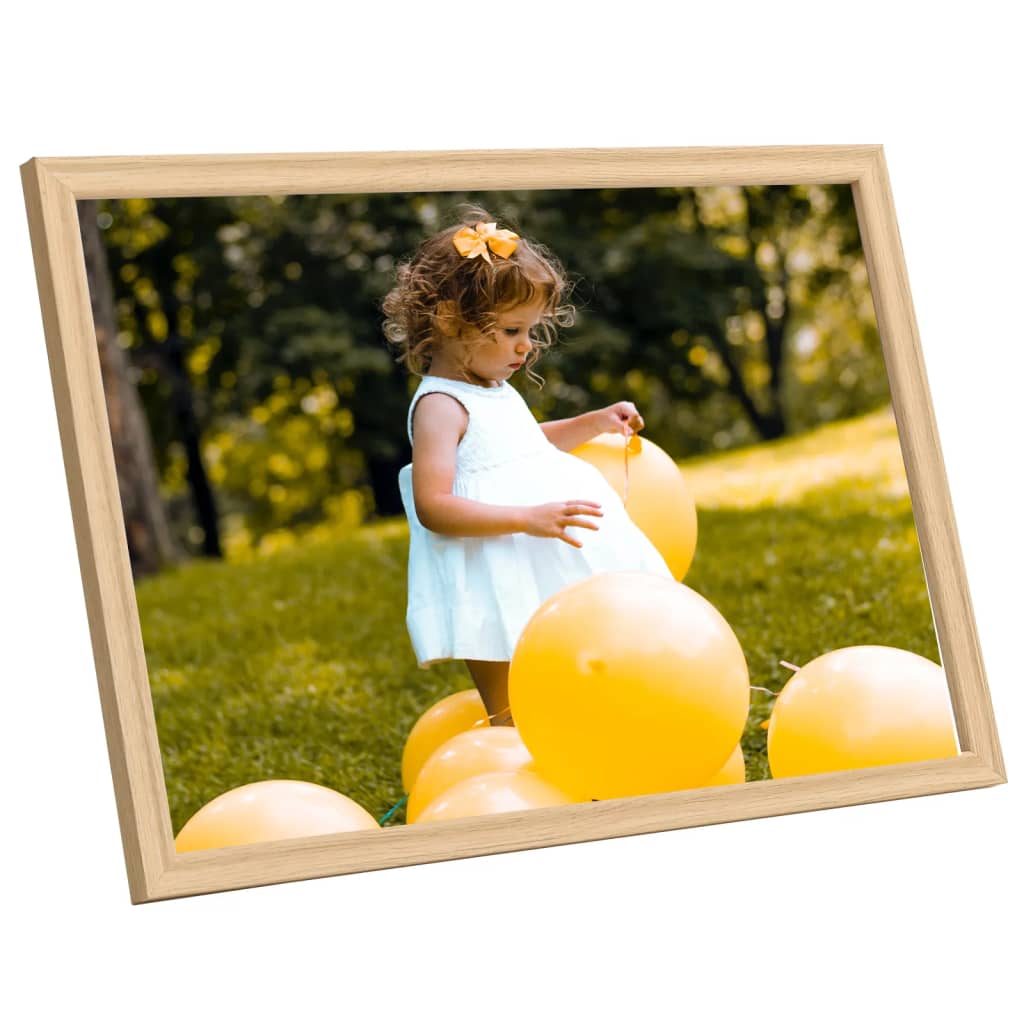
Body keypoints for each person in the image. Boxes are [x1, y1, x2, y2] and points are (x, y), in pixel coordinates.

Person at [382, 205, 673, 726]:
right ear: (450, 321)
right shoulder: (440, 405)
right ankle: (507, 748)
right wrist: (526, 518)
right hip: (491, 568)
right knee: (513, 704)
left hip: (534, 555)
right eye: (513, 330)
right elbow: (433, 505)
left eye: (531, 330)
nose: (527, 346)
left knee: (570, 669)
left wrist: (594, 422)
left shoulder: (492, 387)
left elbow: (519, 447)